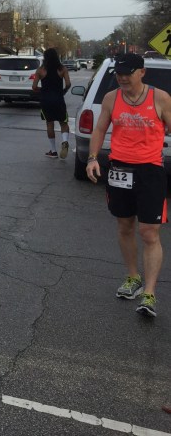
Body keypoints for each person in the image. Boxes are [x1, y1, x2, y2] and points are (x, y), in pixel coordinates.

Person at [87, 52, 171, 318]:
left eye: (127, 73)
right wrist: (92, 158)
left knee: (149, 232)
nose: (122, 78)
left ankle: (149, 293)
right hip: (120, 169)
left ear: (141, 72)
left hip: (150, 171)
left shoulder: (160, 98)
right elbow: (100, 129)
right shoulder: (111, 98)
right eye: (119, 74)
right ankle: (133, 277)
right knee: (124, 226)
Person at [32, 48, 72, 159]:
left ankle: (53, 151)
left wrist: (43, 90)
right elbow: (68, 84)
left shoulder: (40, 70)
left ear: (45, 58)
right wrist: (63, 90)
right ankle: (65, 142)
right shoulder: (62, 69)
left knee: (50, 124)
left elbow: (34, 87)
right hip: (59, 99)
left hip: (46, 100)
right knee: (63, 123)